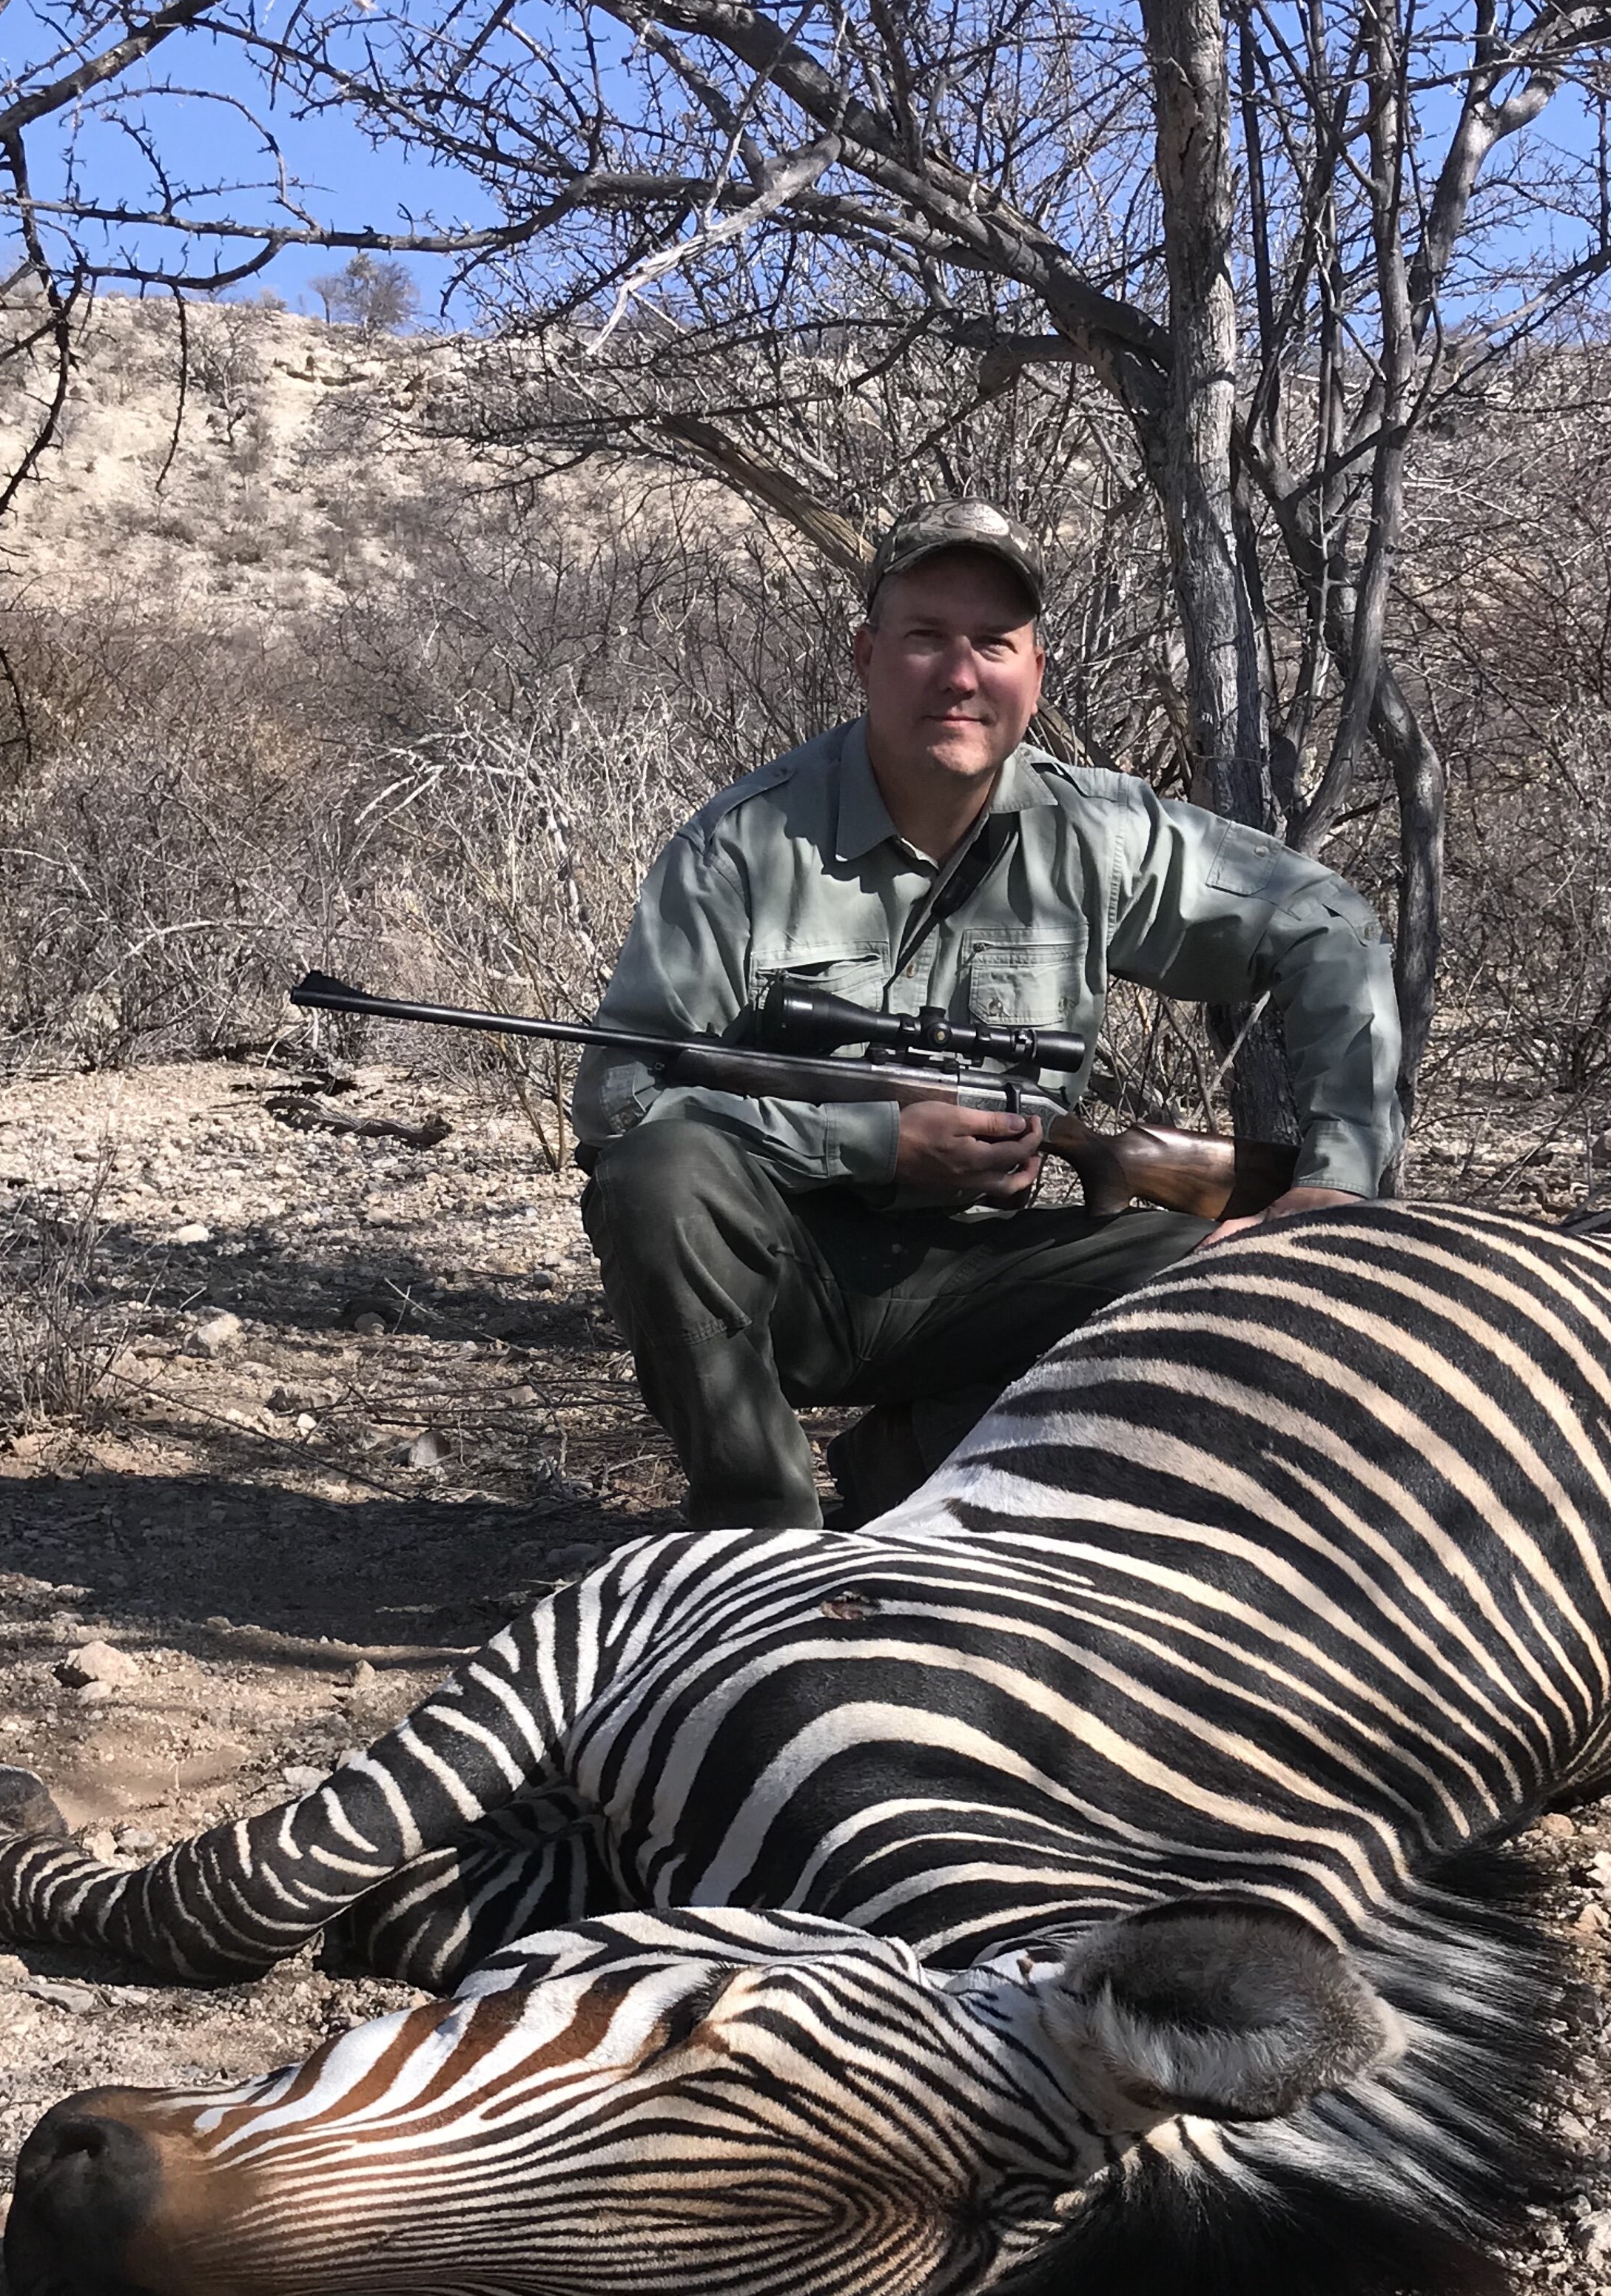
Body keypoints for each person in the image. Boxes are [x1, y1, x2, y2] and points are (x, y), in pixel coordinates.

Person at [572, 498, 1403, 1529]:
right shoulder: (737, 848)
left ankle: (921, 1463)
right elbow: (620, 1098)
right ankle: (762, 1540)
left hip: (995, 1271)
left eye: (993, 645)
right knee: (656, 1178)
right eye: (925, 638)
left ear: (1035, 674)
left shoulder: (1099, 832)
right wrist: (872, 1145)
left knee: (1274, 1278)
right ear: (867, 655)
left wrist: (1334, 1183)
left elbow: (1330, 923)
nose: (960, 676)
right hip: (793, 1273)